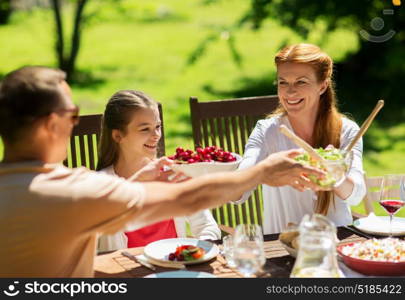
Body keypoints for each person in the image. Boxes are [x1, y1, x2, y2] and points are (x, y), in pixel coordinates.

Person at [0, 66, 323, 277]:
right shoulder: (69, 191)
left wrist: (137, 183)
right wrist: (262, 171)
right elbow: (188, 198)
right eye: (72, 116)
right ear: (50, 125)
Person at [236, 44, 367, 234]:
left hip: (336, 243)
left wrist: (336, 175)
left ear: (322, 86)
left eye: (301, 82)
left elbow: (355, 195)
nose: (289, 92)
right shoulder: (267, 131)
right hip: (281, 245)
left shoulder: (346, 130)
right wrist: (264, 171)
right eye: (283, 82)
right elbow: (239, 190)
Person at [96, 90, 221, 252]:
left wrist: (199, 248)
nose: (156, 135)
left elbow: (206, 225)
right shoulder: (100, 185)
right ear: (118, 135)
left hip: (175, 269)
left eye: (157, 127)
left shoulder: (172, 173)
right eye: (145, 129)